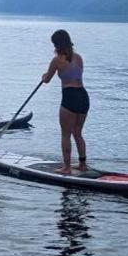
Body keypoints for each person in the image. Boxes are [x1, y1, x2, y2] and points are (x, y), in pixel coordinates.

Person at [40, 29, 88, 174]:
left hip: (70, 96)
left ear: (56, 44)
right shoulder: (79, 57)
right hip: (83, 96)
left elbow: (47, 79)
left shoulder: (56, 60)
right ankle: (82, 164)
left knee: (65, 134)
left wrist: (43, 76)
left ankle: (66, 167)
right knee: (78, 133)